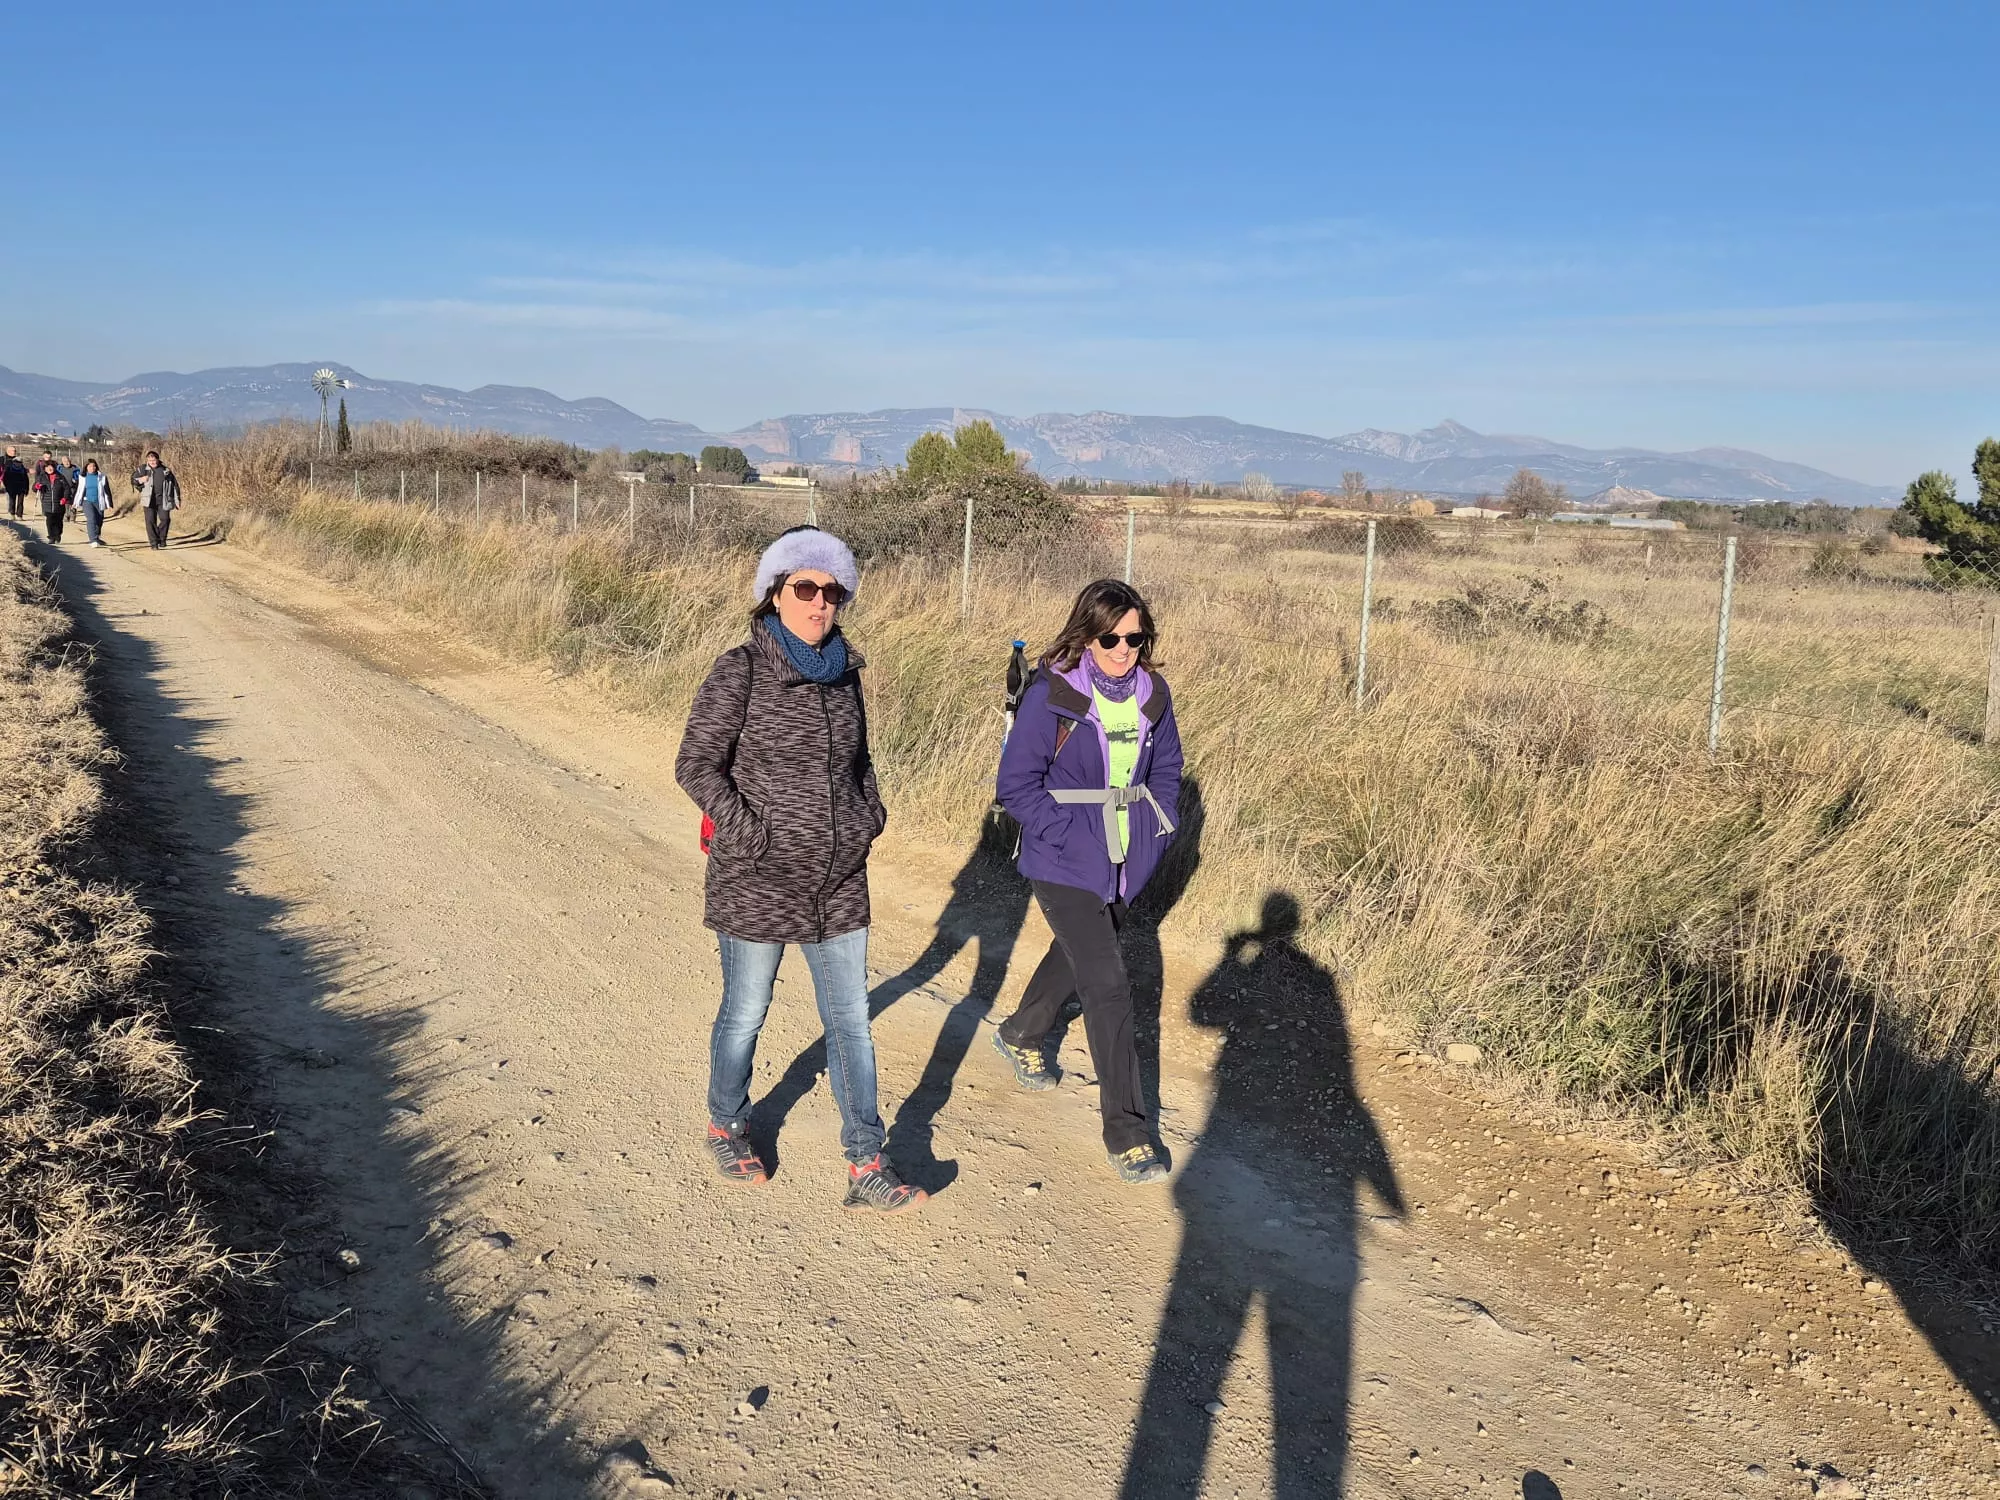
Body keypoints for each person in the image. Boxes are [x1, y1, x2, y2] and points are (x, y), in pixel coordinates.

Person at [673, 525, 925, 1213]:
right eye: (804, 588)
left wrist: (868, 817)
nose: (820, 603)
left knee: (850, 1021)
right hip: (756, 879)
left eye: (831, 591)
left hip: (839, 881)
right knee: (747, 1010)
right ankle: (727, 1123)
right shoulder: (741, 670)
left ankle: (866, 1160)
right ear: (774, 595)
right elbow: (696, 764)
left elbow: (861, 763)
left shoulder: (845, 675)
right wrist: (751, 835)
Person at [992, 578, 1184, 1184]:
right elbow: (1015, 785)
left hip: (1130, 853)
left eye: (1136, 637)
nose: (1125, 648)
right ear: (1087, 635)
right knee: (1109, 984)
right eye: (1111, 638)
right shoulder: (1052, 694)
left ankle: (1022, 1030)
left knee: (1077, 954)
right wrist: (1069, 835)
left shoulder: (1153, 693)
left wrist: (1160, 826)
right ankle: (1128, 1131)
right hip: (1064, 857)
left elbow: (1169, 768)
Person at [139, 449, 181, 548]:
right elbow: (134, 480)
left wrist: (177, 500)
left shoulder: (166, 471)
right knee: (150, 521)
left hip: (163, 500)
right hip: (148, 501)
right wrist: (141, 480)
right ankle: (154, 543)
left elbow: (175, 485)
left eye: (153, 460)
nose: (152, 462)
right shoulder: (143, 469)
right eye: (149, 461)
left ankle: (161, 538)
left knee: (165, 519)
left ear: (158, 459)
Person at [73, 459, 114, 547]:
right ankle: (93, 540)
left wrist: (109, 504)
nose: (92, 468)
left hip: (99, 501)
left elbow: (107, 491)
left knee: (99, 520)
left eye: (94, 466)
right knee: (91, 518)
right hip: (87, 501)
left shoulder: (102, 477)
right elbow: (78, 491)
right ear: (86, 467)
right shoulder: (82, 477)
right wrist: (75, 502)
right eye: (90, 466)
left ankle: (97, 537)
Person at [32, 459, 73, 543]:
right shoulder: (41, 477)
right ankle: (51, 537)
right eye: (47, 467)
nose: (49, 469)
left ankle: (58, 535)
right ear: (44, 468)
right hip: (47, 503)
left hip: (59, 503)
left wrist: (64, 498)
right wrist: (37, 486)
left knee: (58, 521)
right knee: (50, 521)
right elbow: (34, 488)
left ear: (54, 467)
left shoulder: (60, 477)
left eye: (51, 467)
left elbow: (67, 489)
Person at [1, 448, 28, 518]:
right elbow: (5, 478)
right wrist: (7, 486)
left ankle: (19, 515)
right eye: (16, 462)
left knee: (20, 502)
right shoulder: (9, 469)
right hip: (12, 488)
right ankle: (12, 513)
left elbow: (26, 480)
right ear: (14, 462)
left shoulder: (23, 470)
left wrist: (26, 489)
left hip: (21, 488)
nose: (18, 463)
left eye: (19, 462)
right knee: (12, 501)